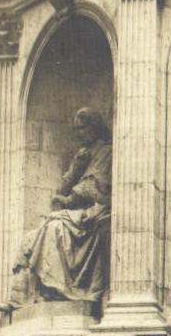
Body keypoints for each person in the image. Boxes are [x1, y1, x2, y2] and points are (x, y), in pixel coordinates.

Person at [7, 107, 112, 308]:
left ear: (94, 128)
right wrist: (75, 170)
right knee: (31, 237)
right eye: (76, 129)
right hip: (76, 215)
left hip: (94, 213)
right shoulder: (82, 156)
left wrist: (67, 199)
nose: (77, 134)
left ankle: (56, 288)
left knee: (54, 227)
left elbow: (92, 188)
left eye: (81, 128)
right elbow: (61, 189)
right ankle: (20, 294)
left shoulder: (106, 152)